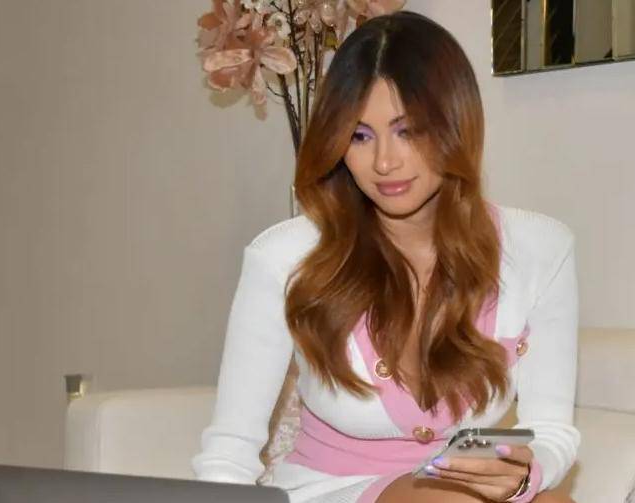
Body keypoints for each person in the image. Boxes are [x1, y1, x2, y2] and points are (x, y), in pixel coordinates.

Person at [193, 11, 579, 503]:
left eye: (408, 131)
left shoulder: (540, 248)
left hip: (460, 488)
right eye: (359, 135)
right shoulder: (285, 257)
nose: (384, 162)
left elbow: (551, 430)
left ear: (456, 126)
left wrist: (524, 476)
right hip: (331, 490)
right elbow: (229, 452)